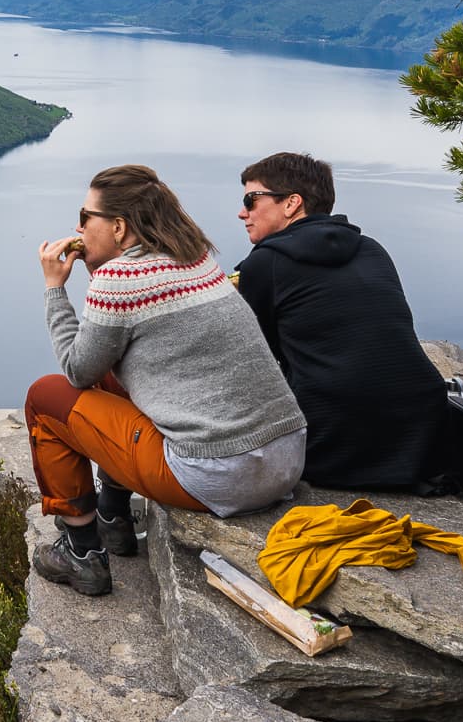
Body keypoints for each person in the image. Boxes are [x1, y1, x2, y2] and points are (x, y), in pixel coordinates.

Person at [26, 164, 307, 597]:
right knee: (114, 379)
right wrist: (98, 274)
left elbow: (77, 369)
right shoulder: (196, 261)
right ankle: (113, 516)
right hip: (285, 461)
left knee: (45, 398)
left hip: (217, 475)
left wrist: (53, 290)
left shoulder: (119, 281)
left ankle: (81, 553)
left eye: (85, 218)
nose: (77, 228)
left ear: (118, 227)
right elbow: (115, 337)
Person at [234, 151, 447, 491]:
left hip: (331, 445)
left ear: (291, 204)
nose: (243, 212)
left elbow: (259, 358)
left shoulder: (266, 264)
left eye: (252, 199)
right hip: (421, 440)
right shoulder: (370, 248)